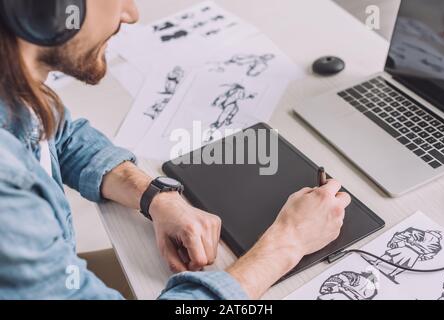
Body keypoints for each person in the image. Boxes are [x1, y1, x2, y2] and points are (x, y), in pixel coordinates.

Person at [0, 0, 351, 300]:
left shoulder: (13, 84)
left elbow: (60, 136)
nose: (131, 14)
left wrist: (156, 197)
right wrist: (286, 244)